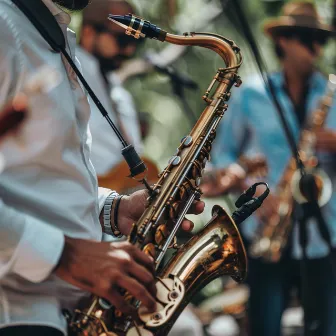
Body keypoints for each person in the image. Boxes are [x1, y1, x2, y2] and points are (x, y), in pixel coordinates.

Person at [0, 1, 204, 335]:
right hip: (19, 313)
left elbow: (36, 182)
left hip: (67, 312)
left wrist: (112, 208)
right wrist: (64, 255)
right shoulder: (4, 27)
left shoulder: (52, 34)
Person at [212, 2, 336, 336]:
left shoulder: (332, 94)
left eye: (320, 39)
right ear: (282, 41)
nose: (316, 47)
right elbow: (222, 158)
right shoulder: (250, 94)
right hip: (268, 235)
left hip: (324, 235)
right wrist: (253, 194)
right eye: (305, 37)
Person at [77, 0, 143, 176]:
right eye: (123, 39)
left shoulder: (121, 95)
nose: (129, 50)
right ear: (89, 33)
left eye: (137, 42)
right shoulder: (64, 77)